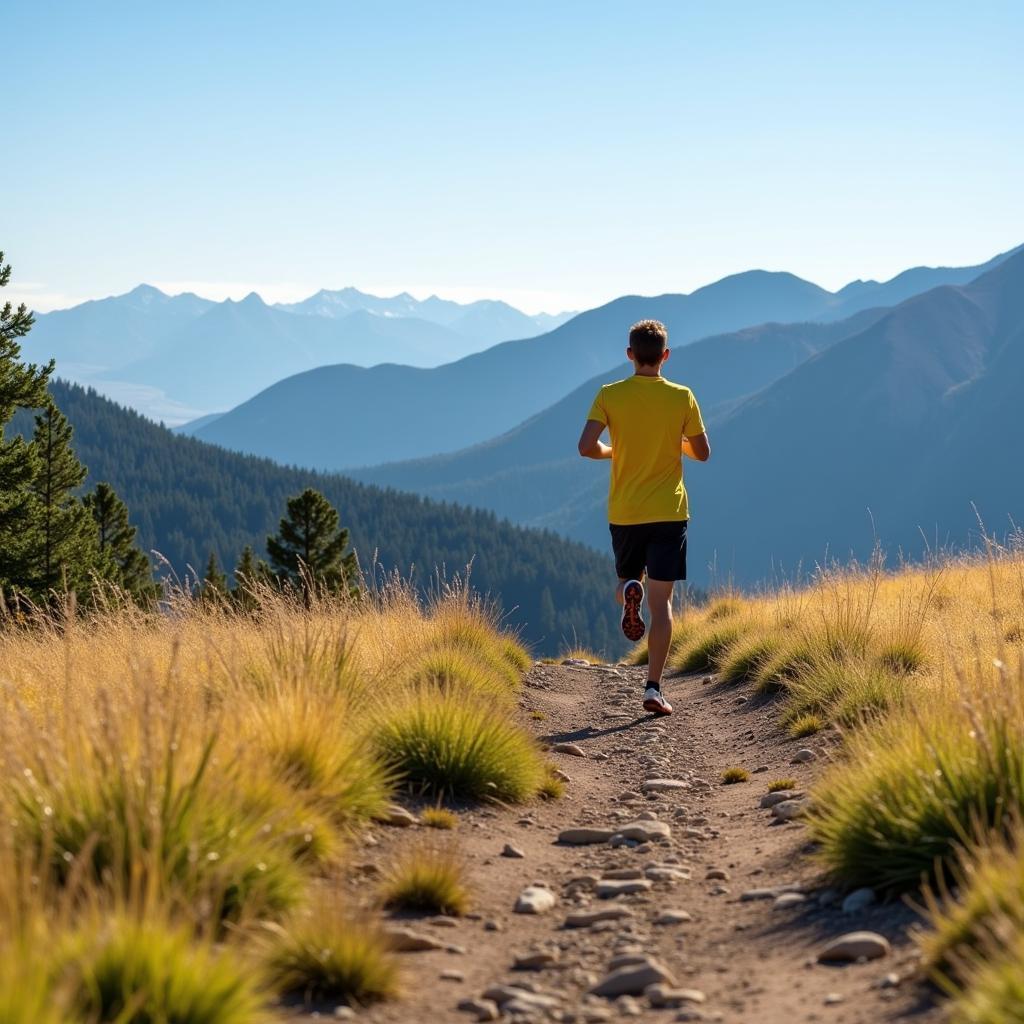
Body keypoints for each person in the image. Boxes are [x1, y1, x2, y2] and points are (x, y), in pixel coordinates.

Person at [577, 319, 711, 716]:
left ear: (630, 355)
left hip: (626, 511)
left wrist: (613, 452)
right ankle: (653, 688)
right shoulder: (682, 397)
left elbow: (586, 447)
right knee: (662, 604)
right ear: (665, 356)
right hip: (669, 512)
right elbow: (703, 453)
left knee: (624, 583)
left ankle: (627, 590)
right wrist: (677, 443)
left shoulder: (609, 395)